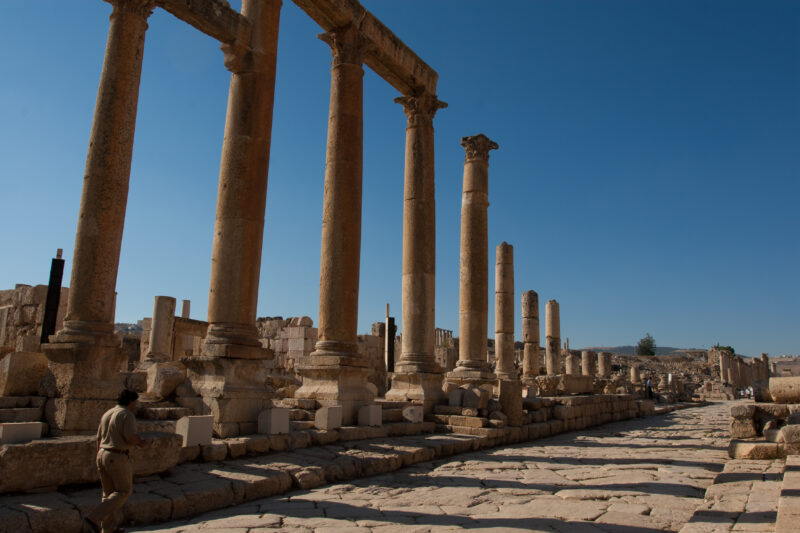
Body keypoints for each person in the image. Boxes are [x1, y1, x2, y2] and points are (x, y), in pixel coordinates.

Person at [83, 389, 147, 533]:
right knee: (124, 491)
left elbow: (98, 437)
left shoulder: (107, 413)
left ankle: (108, 529)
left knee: (108, 493)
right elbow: (130, 437)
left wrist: (99, 455)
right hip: (117, 456)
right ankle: (93, 517)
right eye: (135, 402)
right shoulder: (126, 415)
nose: (136, 405)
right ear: (131, 401)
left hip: (102, 454)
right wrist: (141, 442)